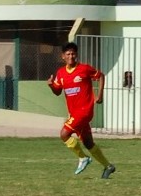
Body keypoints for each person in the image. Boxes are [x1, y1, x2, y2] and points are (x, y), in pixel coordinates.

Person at [47, 41, 116, 179]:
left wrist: (100, 95)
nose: (71, 56)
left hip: (84, 110)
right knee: (88, 143)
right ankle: (108, 166)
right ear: (63, 56)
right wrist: (50, 85)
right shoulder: (61, 73)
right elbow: (57, 92)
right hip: (74, 113)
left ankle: (83, 158)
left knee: (64, 134)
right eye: (68, 54)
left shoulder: (84, 69)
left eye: (73, 53)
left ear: (76, 55)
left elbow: (101, 76)